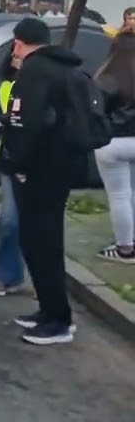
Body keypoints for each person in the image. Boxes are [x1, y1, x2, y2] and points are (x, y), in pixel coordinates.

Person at [0, 17, 89, 344]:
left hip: (39, 171)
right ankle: (51, 310)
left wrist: (17, 163)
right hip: (60, 167)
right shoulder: (62, 66)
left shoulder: (35, 71)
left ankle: (58, 321)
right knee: (44, 241)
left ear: (19, 42)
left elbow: (26, 122)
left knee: (40, 243)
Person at [0, 54, 30, 296]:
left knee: (37, 225)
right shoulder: (4, 87)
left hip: (40, 164)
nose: (17, 58)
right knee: (10, 222)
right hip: (10, 161)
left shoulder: (45, 85)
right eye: (13, 55)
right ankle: (7, 276)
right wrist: (5, 121)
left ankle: (38, 279)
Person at [94, 31, 135, 263]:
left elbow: (96, 113)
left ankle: (124, 248)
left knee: (119, 195)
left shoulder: (106, 77)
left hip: (113, 142)